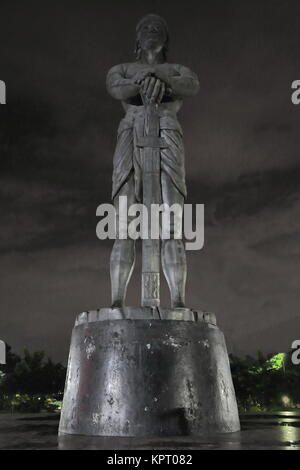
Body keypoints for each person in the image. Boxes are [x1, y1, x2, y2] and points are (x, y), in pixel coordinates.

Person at [106, 13, 199, 309]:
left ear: (166, 39)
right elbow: (117, 87)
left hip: (168, 134)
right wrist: (146, 79)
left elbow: (191, 85)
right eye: (145, 27)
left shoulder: (178, 70)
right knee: (124, 224)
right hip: (131, 134)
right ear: (137, 37)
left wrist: (156, 76)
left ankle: (178, 299)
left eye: (158, 28)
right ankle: (117, 299)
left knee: (172, 223)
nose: (151, 31)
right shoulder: (121, 68)